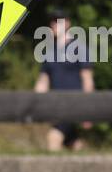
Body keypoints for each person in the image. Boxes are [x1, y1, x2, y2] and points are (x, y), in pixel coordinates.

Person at [33, 9, 94, 150]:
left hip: (74, 103)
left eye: (57, 21)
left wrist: (89, 110)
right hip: (57, 106)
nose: (53, 25)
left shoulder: (79, 48)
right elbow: (43, 81)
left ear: (67, 23)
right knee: (73, 143)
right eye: (52, 21)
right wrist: (33, 104)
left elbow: (87, 80)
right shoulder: (49, 51)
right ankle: (87, 168)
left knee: (53, 138)